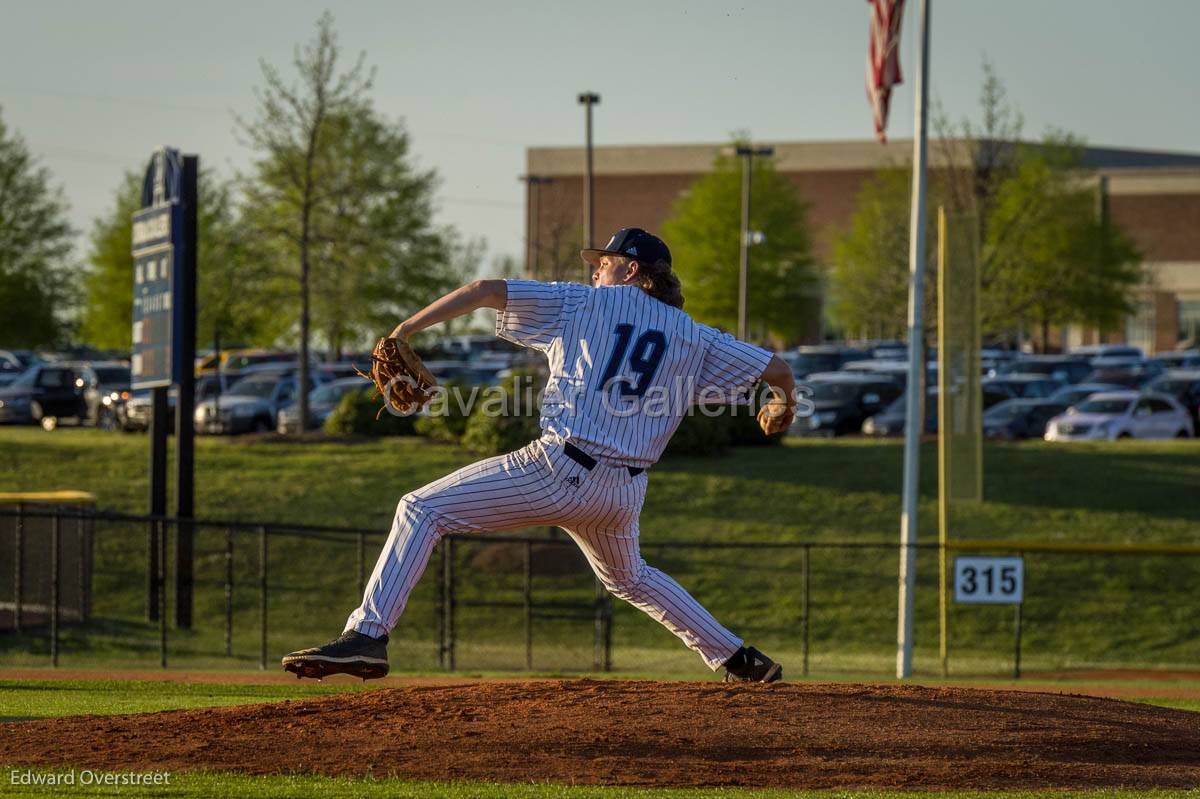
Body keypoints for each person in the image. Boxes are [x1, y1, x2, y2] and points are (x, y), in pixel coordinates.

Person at [282, 227, 797, 683]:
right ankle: (738, 660)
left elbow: (484, 291)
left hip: (559, 469)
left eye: (604, 263)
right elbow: (778, 371)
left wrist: (405, 331)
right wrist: (782, 407)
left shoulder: (584, 303)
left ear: (631, 269)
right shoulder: (695, 336)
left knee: (422, 509)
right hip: (622, 492)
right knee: (631, 578)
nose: (596, 270)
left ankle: (367, 635)